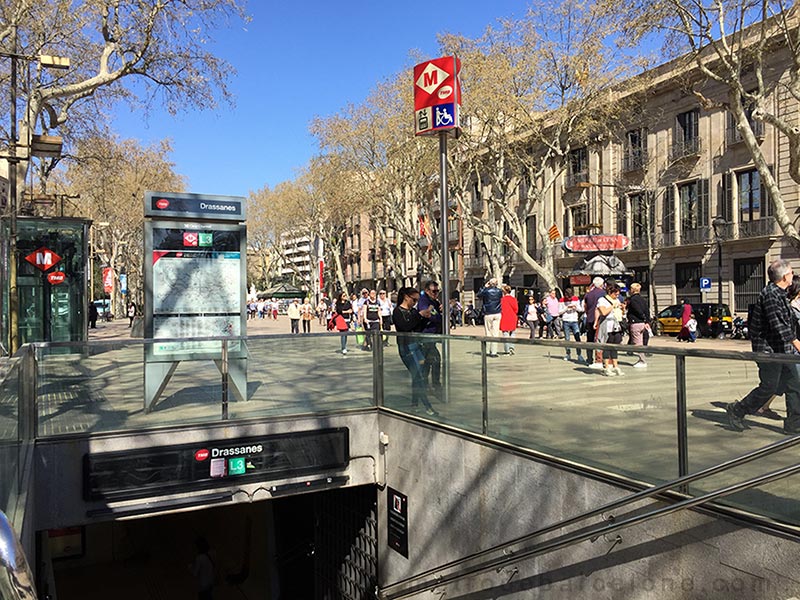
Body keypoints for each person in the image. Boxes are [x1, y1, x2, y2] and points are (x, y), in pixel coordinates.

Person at [726, 259, 800, 434]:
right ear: (784, 276)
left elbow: (788, 323)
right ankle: (738, 410)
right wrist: (797, 344)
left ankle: (794, 424)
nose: (793, 275)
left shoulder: (781, 294)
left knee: (794, 385)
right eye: (791, 272)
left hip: (783, 350)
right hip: (768, 351)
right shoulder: (770, 294)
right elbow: (778, 325)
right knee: (769, 387)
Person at [392, 287, 438, 416]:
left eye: (417, 300)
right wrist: (419, 315)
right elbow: (405, 326)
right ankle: (427, 406)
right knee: (418, 377)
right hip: (406, 348)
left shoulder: (412, 311)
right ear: (406, 297)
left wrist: (426, 316)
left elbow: (417, 327)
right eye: (414, 300)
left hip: (416, 346)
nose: (415, 303)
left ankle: (414, 404)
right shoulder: (397, 311)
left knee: (418, 376)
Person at [596, 282, 625, 377]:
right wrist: (613, 306)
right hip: (607, 326)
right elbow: (603, 312)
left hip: (616, 326)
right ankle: (606, 366)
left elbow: (621, 313)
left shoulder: (617, 300)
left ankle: (616, 366)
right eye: (615, 293)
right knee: (607, 347)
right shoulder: (602, 300)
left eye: (618, 294)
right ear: (610, 292)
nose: (617, 295)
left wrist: (623, 309)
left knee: (615, 347)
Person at [417, 281, 443, 387]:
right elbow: (427, 314)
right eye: (433, 291)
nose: (436, 293)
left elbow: (440, 317)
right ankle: (431, 384)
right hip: (425, 336)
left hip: (433, 336)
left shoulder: (435, 302)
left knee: (431, 361)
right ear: (427, 291)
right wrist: (438, 317)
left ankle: (429, 384)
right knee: (433, 360)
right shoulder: (424, 301)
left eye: (437, 291)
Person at [583, 277, 606, 369]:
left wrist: (588, 313)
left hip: (590, 319)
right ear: (601, 284)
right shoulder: (604, 293)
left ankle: (589, 358)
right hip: (601, 319)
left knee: (590, 340)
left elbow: (585, 306)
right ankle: (601, 359)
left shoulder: (588, 294)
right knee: (600, 339)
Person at [477, 278, 503, 357]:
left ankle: (487, 351)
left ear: (490, 283)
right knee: (495, 333)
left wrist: (484, 287)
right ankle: (494, 352)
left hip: (488, 313)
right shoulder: (499, 291)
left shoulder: (486, 291)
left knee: (488, 332)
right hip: (497, 312)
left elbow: (479, 295)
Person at [626, 283, 650, 367]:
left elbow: (637, 310)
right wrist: (647, 321)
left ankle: (642, 360)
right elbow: (647, 310)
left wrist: (641, 317)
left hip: (635, 322)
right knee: (641, 341)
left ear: (632, 290)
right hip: (642, 323)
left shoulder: (633, 300)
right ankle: (641, 359)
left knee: (637, 343)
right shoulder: (642, 299)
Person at [559, 288, 583, 362]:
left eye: (570, 298)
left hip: (574, 320)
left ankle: (579, 355)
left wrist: (575, 307)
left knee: (577, 338)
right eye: (568, 298)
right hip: (566, 320)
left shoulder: (575, 299)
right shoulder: (561, 300)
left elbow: (581, 309)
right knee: (567, 338)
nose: (569, 299)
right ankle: (568, 354)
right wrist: (566, 308)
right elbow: (559, 312)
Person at [499, 285, 518, 355]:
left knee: (505, 334)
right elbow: (516, 309)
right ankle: (512, 348)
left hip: (504, 317)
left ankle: (507, 350)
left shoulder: (502, 300)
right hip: (512, 317)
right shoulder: (514, 299)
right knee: (513, 333)